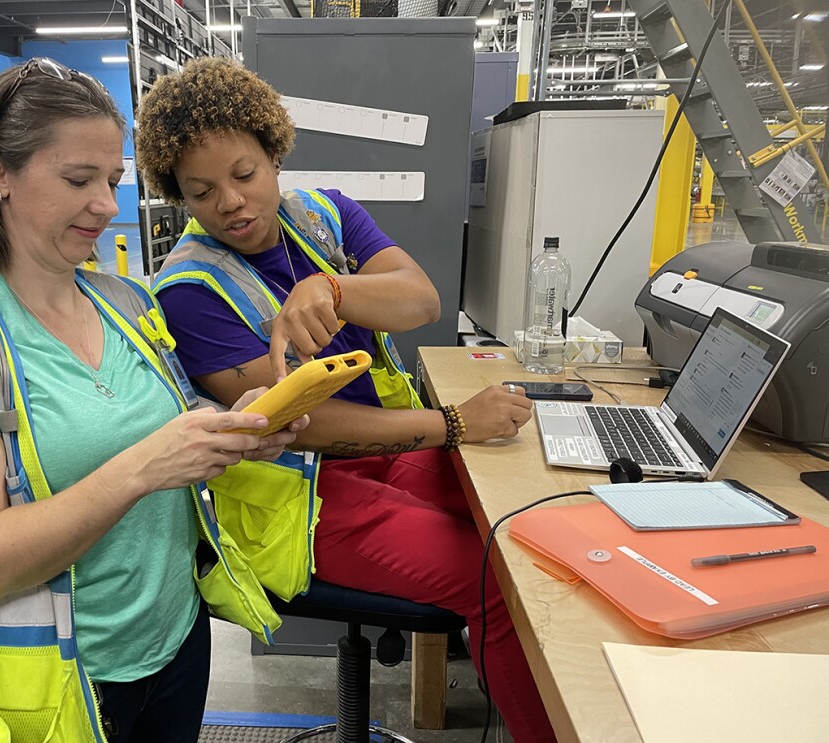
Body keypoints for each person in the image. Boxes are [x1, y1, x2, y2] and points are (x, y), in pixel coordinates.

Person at [0, 57, 307, 743]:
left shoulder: (126, 303)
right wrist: (144, 467)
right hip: (55, 685)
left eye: (112, 179)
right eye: (78, 179)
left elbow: (169, 425)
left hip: (175, 645)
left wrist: (230, 426)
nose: (106, 203)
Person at [135, 57, 557, 742]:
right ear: (178, 195)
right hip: (298, 502)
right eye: (202, 191)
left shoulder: (326, 214)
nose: (232, 202)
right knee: (495, 582)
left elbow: (417, 299)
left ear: (275, 155)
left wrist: (332, 288)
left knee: (522, 523)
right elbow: (305, 428)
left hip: (379, 459)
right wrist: (452, 423)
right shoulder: (188, 290)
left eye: (243, 175)